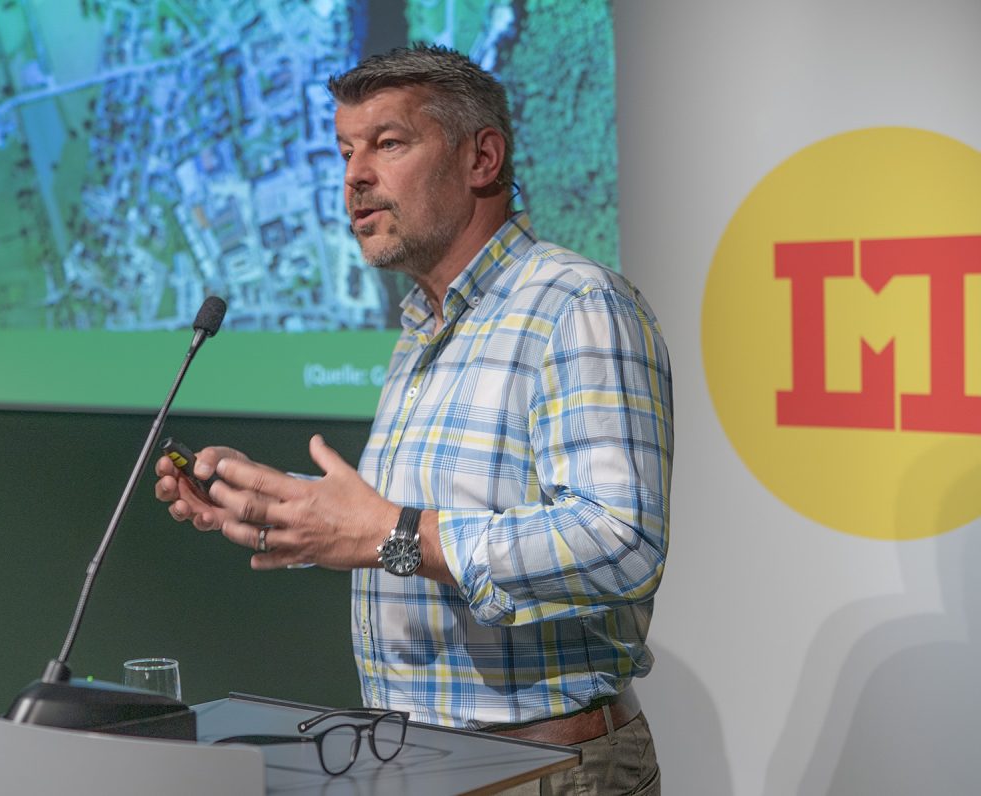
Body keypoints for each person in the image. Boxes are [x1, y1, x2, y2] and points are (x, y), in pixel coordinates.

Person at [156, 44, 672, 795]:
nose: (354, 177)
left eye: (388, 143)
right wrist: (275, 503)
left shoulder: (576, 305)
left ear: (481, 158)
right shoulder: (422, 328)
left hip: (545, 771)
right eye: (345, 151)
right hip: (417, 764)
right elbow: (408, 519)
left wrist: (392, 535)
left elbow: (621, 542)